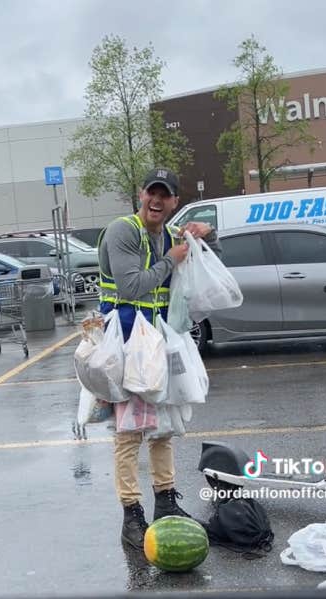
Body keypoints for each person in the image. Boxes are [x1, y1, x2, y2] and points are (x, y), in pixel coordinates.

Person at [97, 167, 222, 548]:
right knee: (130, 431)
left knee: (163, 426)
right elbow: (131, 286)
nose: (156, 200)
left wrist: (206, 233)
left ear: (174, 203)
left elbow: (208, 261)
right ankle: (131, 515)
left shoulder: (170, 234)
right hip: (127, 343)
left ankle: (166, 503)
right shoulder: (124, 231)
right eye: (151, 192)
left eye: (164, 195)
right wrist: (170, 259)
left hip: (160, 344)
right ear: (141, 195)